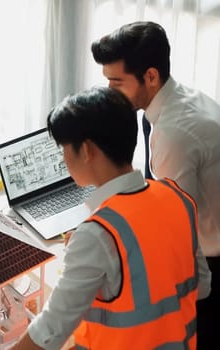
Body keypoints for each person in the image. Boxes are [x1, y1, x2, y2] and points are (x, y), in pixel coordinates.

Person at [12, 87, 210, 349]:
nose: (63, 159)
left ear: (85, 151)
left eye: (64, 149)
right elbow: (203, 285)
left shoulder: (97, 234)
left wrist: (93, 250)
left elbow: (50, 331)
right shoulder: (177, 198)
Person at [91, 21, 220, 349]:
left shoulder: (175, 132)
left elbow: (168, 226)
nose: (110, 91)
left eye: (116, 82)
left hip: (208, 261)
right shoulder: (179, 100)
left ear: (150, 76)